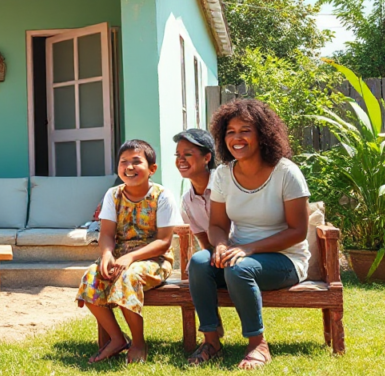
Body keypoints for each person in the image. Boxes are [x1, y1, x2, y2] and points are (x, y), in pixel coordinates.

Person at [187, 99, 311, 370]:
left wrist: (248, 249)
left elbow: (298, 231)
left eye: (245, 130)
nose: (237, 138)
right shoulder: (223, 174)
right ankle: (211, 340)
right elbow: (217, 225)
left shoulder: (286, 172)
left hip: (285, 259)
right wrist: (220, 246)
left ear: (263, 134)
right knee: (198, 263)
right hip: (239, 256)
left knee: (238, 269)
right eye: (230, 132)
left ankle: (257, 344)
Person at [76, 139, 178, 364]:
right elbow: (106, 234)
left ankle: (139, 342)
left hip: (154, 259)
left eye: (136, 162)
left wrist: (130, 257)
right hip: (120, 256)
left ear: (152, 169)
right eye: (124, 162)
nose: (129, 167)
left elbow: (163, 241)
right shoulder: (113, 195)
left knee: (128, 277)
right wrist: (106, 255)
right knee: (91, 277)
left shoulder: (162, 196)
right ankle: (117, 339)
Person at [174, 128, 217, 250]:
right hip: (216, 257)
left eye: (188, 154)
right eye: (177, 155)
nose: (181, 160)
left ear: (207, 157)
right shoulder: (187, 200)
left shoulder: (225, 186)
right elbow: (205, 244)